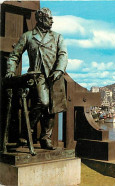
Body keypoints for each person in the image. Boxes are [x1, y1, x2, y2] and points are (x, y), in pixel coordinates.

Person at [5, 7, 68, 150]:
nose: (52, 21)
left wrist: (59, 69)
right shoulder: (28, 36)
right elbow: (15, 55)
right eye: (49, 18)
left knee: (52, 108)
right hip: (37, 76)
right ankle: (26, 132)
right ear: (40, 19)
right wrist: (10, 71)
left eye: (52, 18)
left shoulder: (58, 37)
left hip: (54, 77)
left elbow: (63, 55)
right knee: (44, 102)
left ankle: (45, 138)